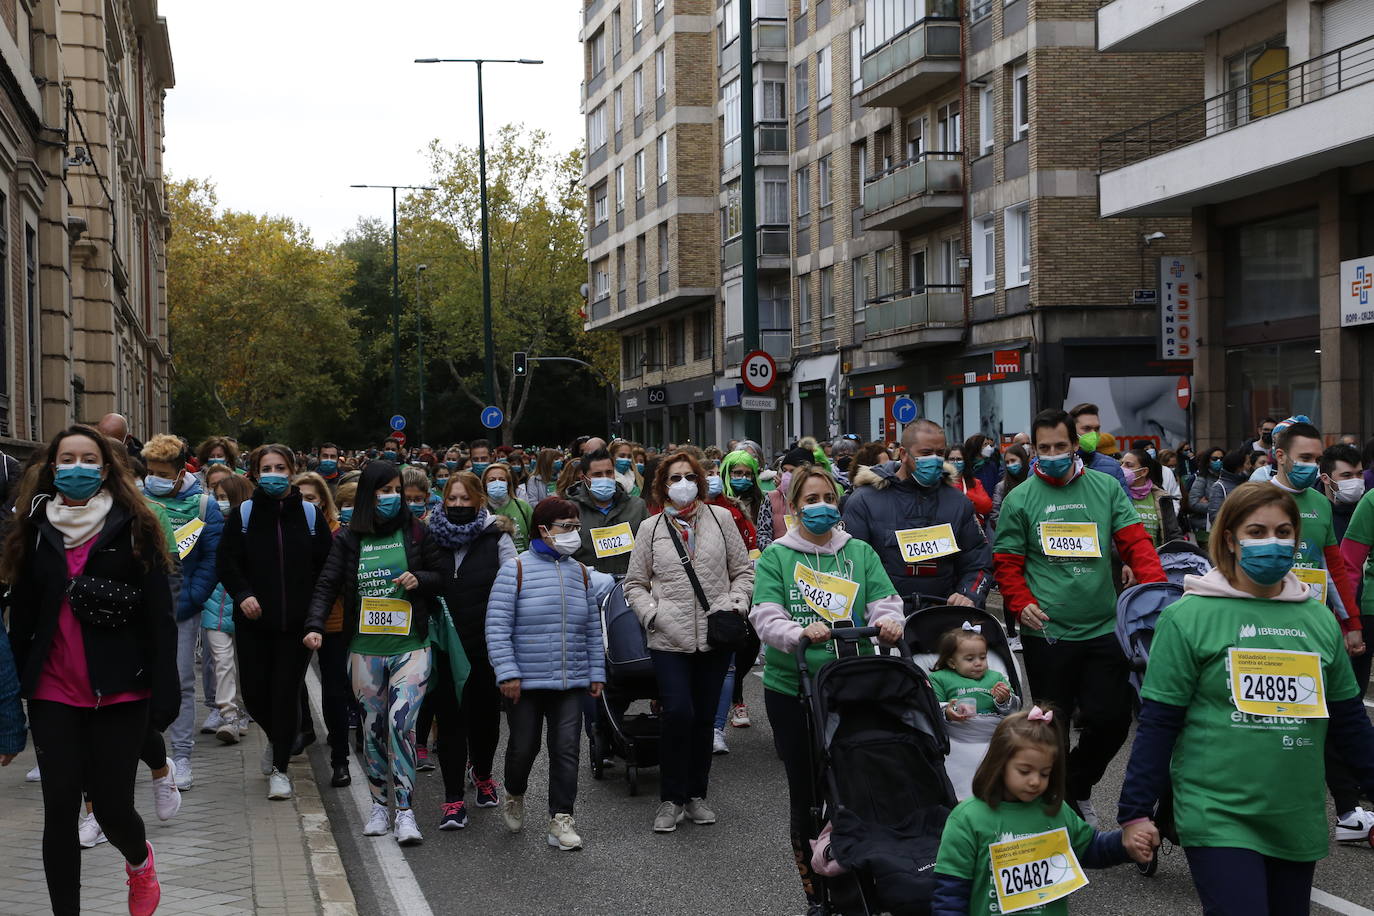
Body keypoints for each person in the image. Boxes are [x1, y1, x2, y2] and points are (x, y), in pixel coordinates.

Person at [1118, 484, 1374, 914]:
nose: (1272, 542)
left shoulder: (1318, 620)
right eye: (1257, 531)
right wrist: (1135, 812)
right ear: (1231, 540)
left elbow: (1350, 723)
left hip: (1294, 814)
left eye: (1284, 531)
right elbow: (1160, 722)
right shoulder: (1187, 616)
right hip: (1217, 812)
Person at [3, 425, 179, 916]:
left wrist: (165, 691)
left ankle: (140, 862)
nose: (76, 467)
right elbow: (21, 618)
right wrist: (11, 699)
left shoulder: (136, 525)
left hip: (121, 691)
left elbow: (159, 616)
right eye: (67, 459)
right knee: (59, 808)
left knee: (113, 808)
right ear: (52, 468)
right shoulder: (34, 529)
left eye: (88, 459)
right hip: (53, 690)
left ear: (104, 470)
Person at [993, 408, 1166, 826]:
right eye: (1044, 447)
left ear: (1075, 447)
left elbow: (1137, 545)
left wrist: (1160, 595)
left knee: (1112, 721)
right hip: (1047, 634)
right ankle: (1056, 812)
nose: (1052, 454)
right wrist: (1019, 602)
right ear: (1034, 449)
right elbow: (1007, 562)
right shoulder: (1020, 498)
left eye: (1060, 446)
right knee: (1050, 728)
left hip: (1104, 628)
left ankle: (1076, 786)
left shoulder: (1106, 488)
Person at [749, 461, 904, 909]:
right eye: (811, 500)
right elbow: (765, 614)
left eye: (828, 498)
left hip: (852, 682)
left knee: (857, 780)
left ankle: (863, 869)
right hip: (793, 686)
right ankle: (814, 886)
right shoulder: (779, 555)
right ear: (795, 507)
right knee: (808, 790)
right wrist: (797, 632)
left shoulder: (858, 552)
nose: (821, 507)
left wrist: (889, 622)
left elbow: (884, 601)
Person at [304, 460, 445, 846]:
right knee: (373, 729)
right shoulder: (350, 539)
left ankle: (406, 811)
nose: (392, 498)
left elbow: (442, 575)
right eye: (383, 491)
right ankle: (379, 805)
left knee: (401, 725)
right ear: (368, 495)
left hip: (411, 646)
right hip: (365, 650)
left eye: (396, 490)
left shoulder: (416, 533)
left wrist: (421, 580)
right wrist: (315, 626)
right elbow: (327, 584)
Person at [624, 450, 755, 833]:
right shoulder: (650, 529)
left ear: (699, 480)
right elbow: (635, 584)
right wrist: (653, 615)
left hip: (716, 636)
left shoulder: (722, 518)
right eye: (674, 478)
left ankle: (695, 795)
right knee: (678, 713)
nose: (683, 483)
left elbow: (742, 571)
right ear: (662, 486)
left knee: (701, 719)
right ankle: (671, 798)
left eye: (689, 476)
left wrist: (735, 605)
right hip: (669, 639)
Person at [934, 708, 1151, 916]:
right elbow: (951, 890)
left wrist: (1126, 844)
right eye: (1024, 771)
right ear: (999, 764)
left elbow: (1089, 848)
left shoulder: (1053, 809)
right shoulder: (968, 819)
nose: (1035, 781)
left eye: (1045, 773)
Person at [486, 497, 611, 852]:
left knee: (567, 748)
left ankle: (561, 819)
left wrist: (595, 672)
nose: (573, 534)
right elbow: (497, 626)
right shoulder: (515, 569)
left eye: (576, 527)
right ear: (544, 529)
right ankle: (514, 791)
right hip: (524, 683)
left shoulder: (581, 572)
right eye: (566, 527)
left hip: (570, 681)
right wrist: (507, 673)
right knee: (524, 747)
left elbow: (590, 629)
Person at [217, 444, 332, 801]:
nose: (273, 474)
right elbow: (226, 562)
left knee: (284, 696)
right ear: (254, 472)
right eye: (266, 467)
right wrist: (243, 594)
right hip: (254, 625)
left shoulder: (311, 516)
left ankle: (280, 768)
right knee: (254, 696)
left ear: (292, 470)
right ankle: (280, 739)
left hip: (297, 628)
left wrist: (315, 615)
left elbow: (327, 569)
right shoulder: (244, 515)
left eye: (280, 467)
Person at [416, 470, 516, 828]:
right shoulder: (429, 535)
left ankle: (484, 774)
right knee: (451, 719)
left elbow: (511, 585)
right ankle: (453, 799)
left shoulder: (497, 536)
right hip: (445, 644)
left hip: (486, 643)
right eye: (452, 499)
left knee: (486, 720)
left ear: (479, 500)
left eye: (465, 499)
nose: (458, 506)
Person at [140, 434, 225, 790]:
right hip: (140, 608)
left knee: (181, 681)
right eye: (150, 471)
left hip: (183, 607)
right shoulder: (136, 502)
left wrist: (190, 597)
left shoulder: (204, 506)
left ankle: (182, 757)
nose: (154, 478)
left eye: (162, 472)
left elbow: (212, 559)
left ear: (179, 472)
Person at [842, 420, 993, 608]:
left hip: (943, 619)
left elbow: (978, 560)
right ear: (904, 454)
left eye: (940, 453)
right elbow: (850, 568)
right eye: (926, 453)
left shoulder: (958, 502)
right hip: (883, 622)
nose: (935, 460)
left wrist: (969, 594)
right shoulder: (863, 501)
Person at [1267, 418, 1363, 650]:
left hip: (1310, 616)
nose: (1312, 466)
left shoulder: (1320, 503)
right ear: (1281, 456)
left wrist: (1352, 625)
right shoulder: (1255, 497)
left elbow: (1334, 569)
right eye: (1305, 458)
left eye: (1317, 460)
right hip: (1265, 617)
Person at [929, 623, 1022, 800]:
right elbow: (933, 706)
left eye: (983, 657)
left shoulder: (995, 677)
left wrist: (1004, 700)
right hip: (958, 733)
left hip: (991, 733)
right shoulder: (940, 678)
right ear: (952, 662)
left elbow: (1014, 710)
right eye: (970, 659)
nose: (978, 663)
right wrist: (947, 711)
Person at [202, 474, 253, 745]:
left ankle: (244, 712)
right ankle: (229, 715)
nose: (220, 503)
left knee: (243, 665)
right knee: (222, 664)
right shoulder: (206, 526)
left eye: (225, 497)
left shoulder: (251, 528)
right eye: (216, 496)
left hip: (245, 609)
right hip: (213, 609)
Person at [568, 447, 648, 576]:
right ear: (584, 478)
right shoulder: (570, 511)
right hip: (591, 587)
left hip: (631, 585)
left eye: (609, 472)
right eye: (597, 474)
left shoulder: (637, 507)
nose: (605, 478)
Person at [759, 447, 824, 550]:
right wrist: (780, 553)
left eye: (792, 471)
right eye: (784, 470)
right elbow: (762, 535)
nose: (787, 475)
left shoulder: (820, 499)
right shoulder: (771, 498)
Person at [1119, 448, 1183, 552]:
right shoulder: (1117, 494)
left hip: (1155, 561)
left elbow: (1173, 534)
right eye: (1121, 464)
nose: (1122, 468)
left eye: (1129, 465)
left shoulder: (1162, 498)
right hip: (1125, 563)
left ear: (1144, 471)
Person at [1068, 402, 1129, 493]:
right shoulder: (1060, 464)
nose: (1093, 434)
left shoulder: (1112, 466)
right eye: (1087, 428)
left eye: (1096, 429)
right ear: (1071, 430)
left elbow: (1124, 505)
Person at [482, 462, 533, 551]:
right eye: (492, 480)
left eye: (502, 479)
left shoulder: (522, 506)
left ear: (508, 484)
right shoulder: (481, 509)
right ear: (485, 485)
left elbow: (535, 535)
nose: (497, 483)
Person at [1321, 443, 1365, 540]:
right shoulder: (1314, 510)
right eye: (1347, 475)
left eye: (1359, 474)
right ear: (1325, 479)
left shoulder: (1368, 507)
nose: (1356, 481)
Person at [1187, 446, 1226, 545]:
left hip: (1224, 526)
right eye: (1214, 459)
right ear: (1208, 461)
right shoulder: (1202, 479)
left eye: (1221, 459)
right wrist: (1219, 506)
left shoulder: (1227, 478)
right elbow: (1194, 503)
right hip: (1204, 528)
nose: (1218, 461)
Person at [946, 444, 993, 521]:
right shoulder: (940, 482)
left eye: (959, 459)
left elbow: (986, 506)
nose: (955, 462)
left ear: (965, 462)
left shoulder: (974, 482)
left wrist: (962, 494)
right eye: (951, 459)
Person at [988, 443, 1029, 529]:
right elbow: (995, 515)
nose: (1010, 465)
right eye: (1007, 462)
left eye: (1013, 461)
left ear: (1023, 460)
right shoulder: (1001, 487)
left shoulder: (1032, 483)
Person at [966, 433, 1002, 500]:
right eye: (985, 445)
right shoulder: (967, 467)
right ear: (976, 447)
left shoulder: (991, 466)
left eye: (989, 444)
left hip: (990, 505)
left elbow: (996, 488)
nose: (989, 448)